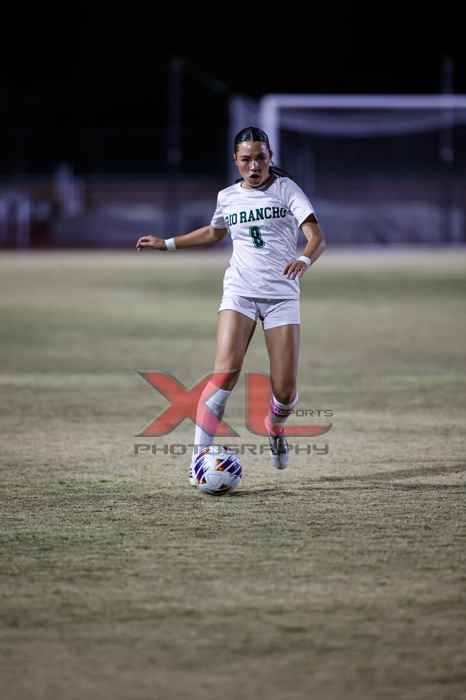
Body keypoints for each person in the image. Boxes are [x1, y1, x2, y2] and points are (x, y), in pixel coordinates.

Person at [136, 126, 326, 480]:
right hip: (239, 291)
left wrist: (304, 259)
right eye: (246, 159)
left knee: (285, 392)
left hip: (281, 295)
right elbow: (214, 232)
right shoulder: (227, 196)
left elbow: (316, 237)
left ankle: (275, 426)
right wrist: (167, 243)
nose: (254, 166)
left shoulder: (287, 189)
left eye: (261, 158)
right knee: (224, 373)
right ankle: (197, 462)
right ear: (235, 161)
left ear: (270, 158)